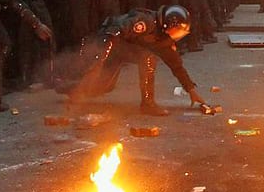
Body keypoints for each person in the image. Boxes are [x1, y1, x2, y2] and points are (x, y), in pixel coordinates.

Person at [64, 6, 212, 116]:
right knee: (147, 57)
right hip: (109, 44)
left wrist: (191, 90)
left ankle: (67, 87)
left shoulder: (163, 39)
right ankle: (147, 104)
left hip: (123, 50)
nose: (178, 36)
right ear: (168, 24)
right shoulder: (146, 22)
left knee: (103, 87)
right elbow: (114, 32)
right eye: (178, 31)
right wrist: (98, 62)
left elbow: (176, 65)